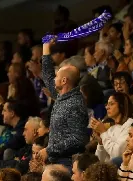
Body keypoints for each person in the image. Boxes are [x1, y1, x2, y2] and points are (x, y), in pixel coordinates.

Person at [39, 40, 90, 170]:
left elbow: (78, 139)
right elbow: (47, 75)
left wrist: (50, 150)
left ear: (64, 80)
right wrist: (46, 47)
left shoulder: (75, 104)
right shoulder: (61, 96)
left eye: (57, 76)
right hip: (55, 161)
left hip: (67, 164)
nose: (53, 78)